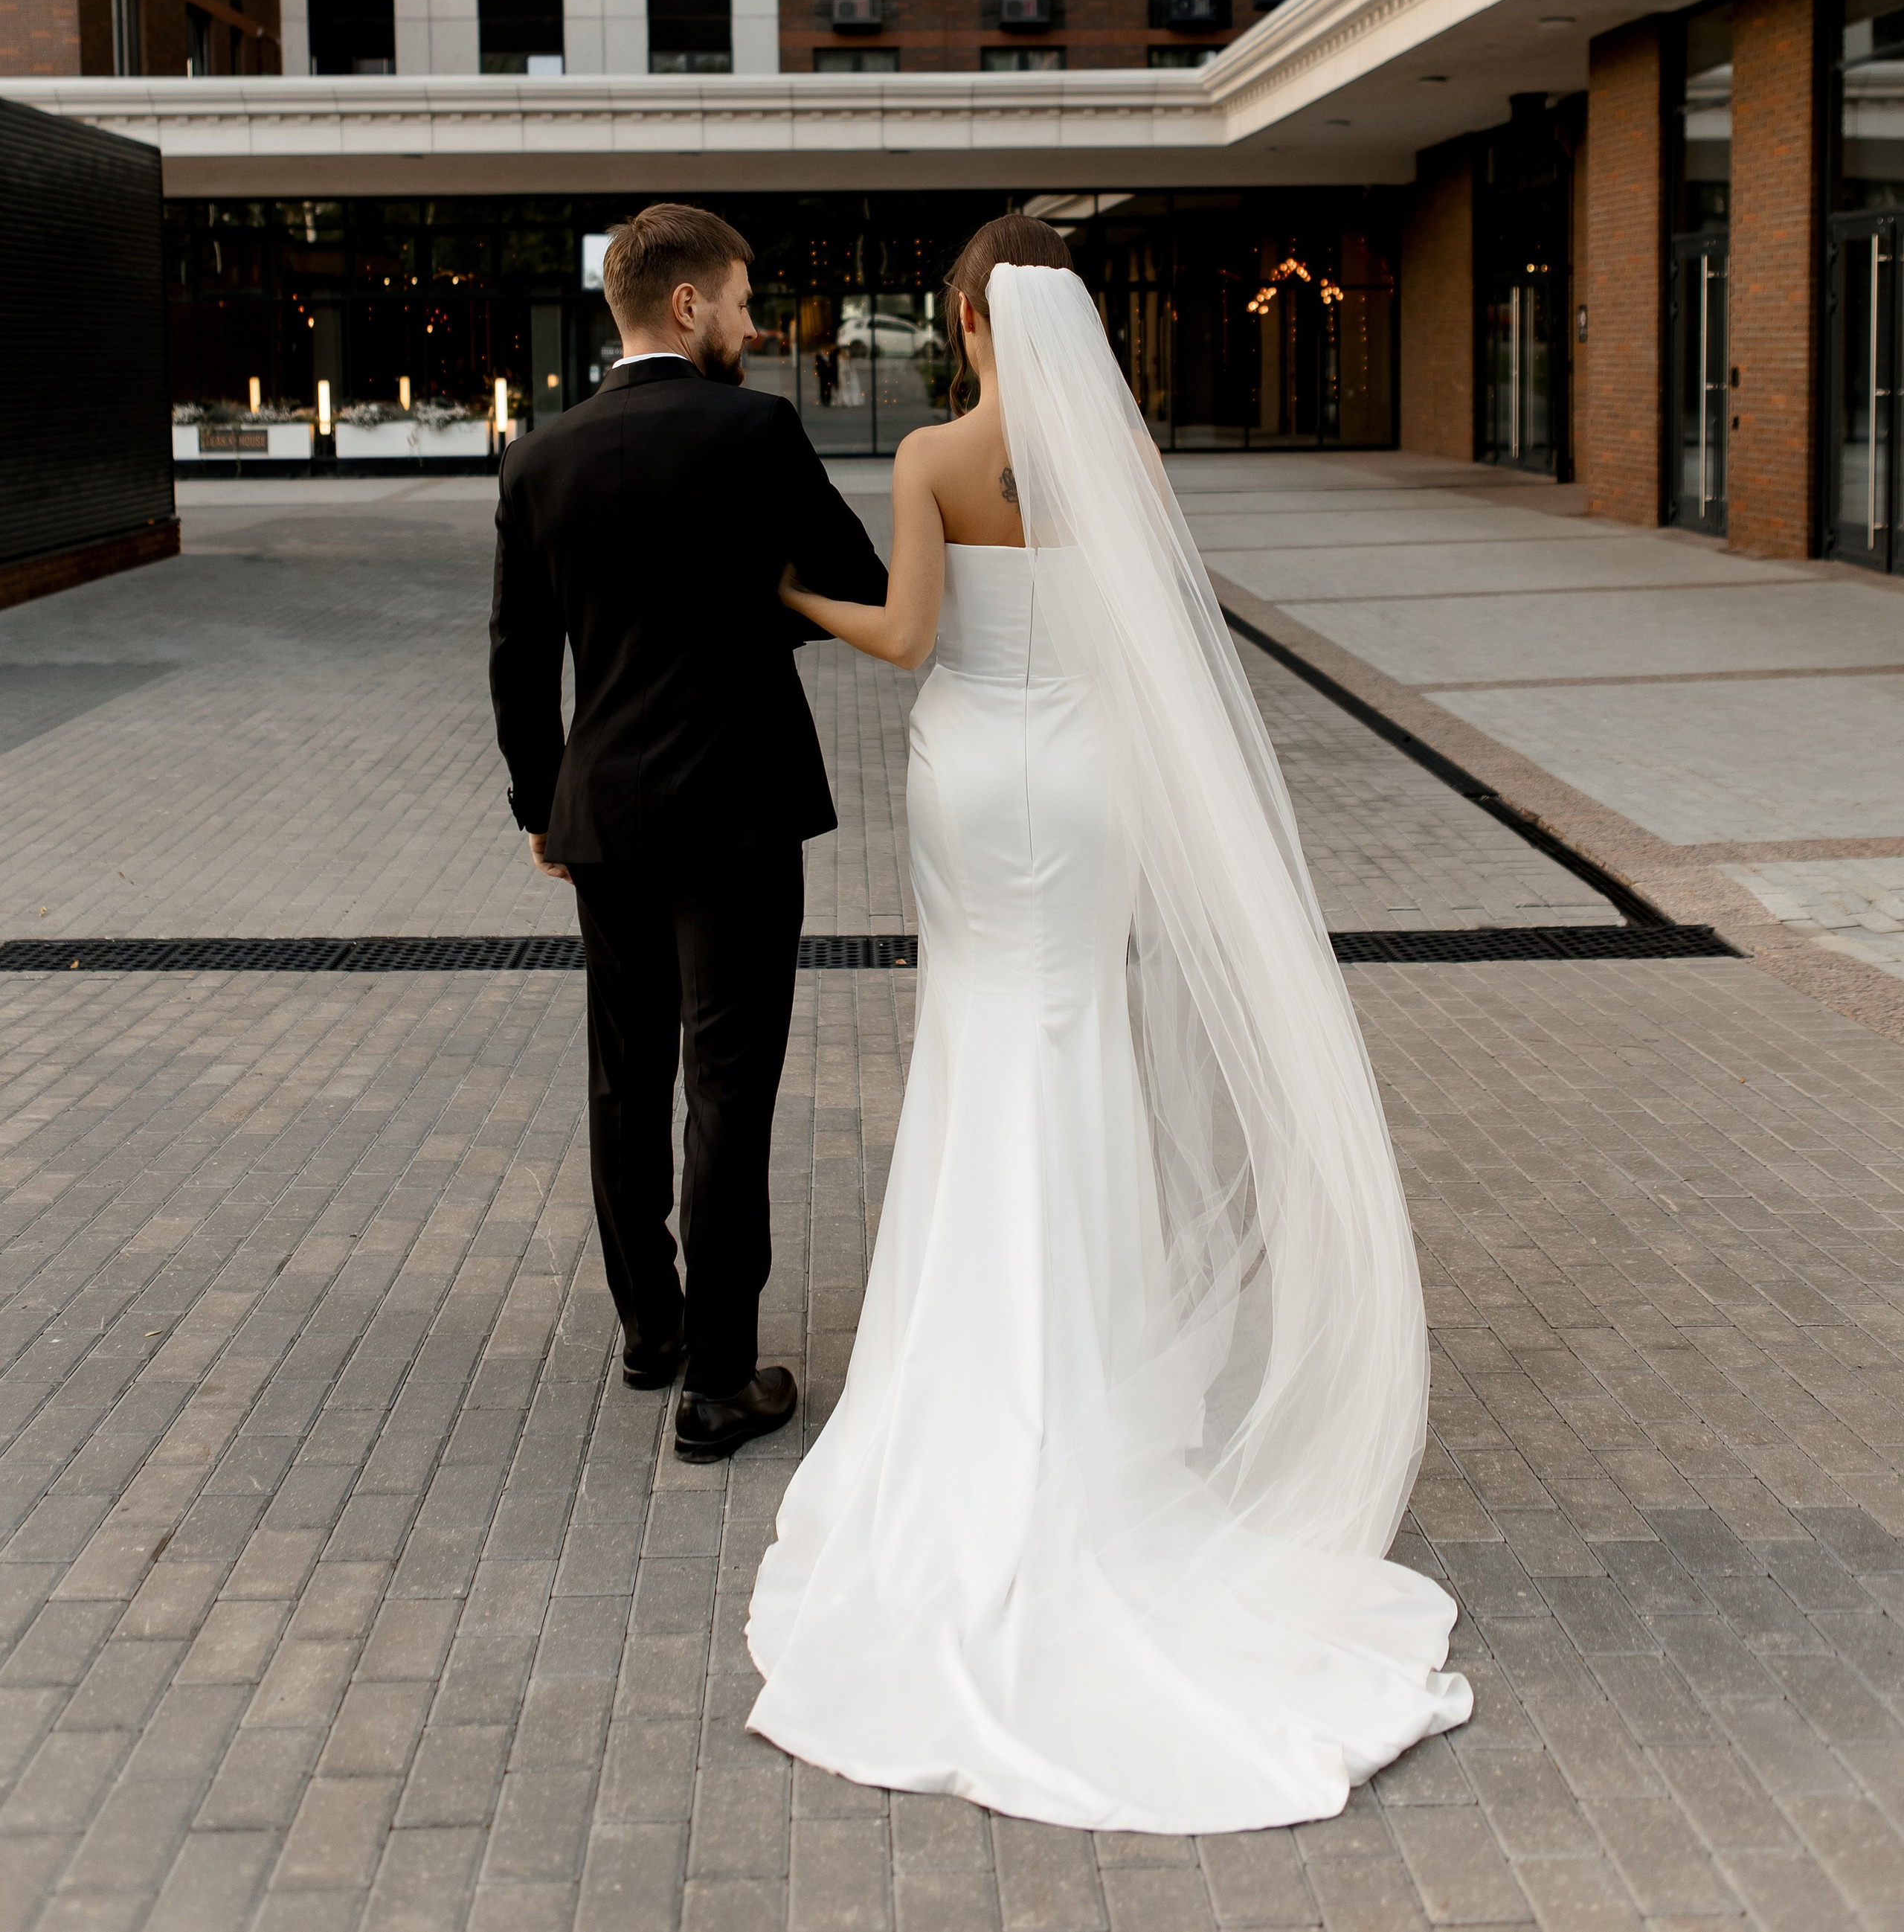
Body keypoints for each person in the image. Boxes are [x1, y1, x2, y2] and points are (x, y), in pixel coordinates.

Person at [744, 214, 1471, 1832]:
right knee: (1072, 1038)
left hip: (966, 777)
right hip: (1083, 786)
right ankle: (1096, 1374)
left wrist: (796, 589)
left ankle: (976, 1373)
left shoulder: (935, 449)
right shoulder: (1125, 469)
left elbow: (910, 640)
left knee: (976, 1043)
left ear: (963, 317)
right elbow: (1155, 660)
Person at [489, 203, 887, 1463]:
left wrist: (541, 804)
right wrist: (752, 613)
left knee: (625, 1072)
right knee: (727, 1086)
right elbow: (859, 583)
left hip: (603, 811)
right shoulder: (756, 427)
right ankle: (719, 1377)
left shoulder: (538, 461)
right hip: (738, 807)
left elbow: (516, 665)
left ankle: (649, 1330)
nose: (755, 317)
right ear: (683, 307)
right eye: (742, 295)